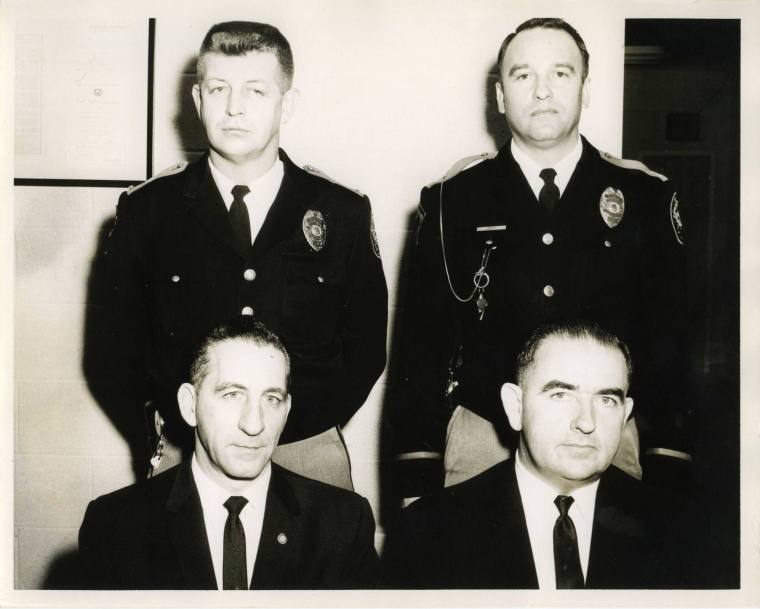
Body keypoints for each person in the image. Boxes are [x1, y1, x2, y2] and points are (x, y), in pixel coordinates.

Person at [391, 17, 692, 500]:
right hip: (484, 438)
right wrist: (415, 466)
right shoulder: (452, 201)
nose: (542, 92)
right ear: (500, 97)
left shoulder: (645, 196)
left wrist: (669, 460)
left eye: (561, 74)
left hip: (607, 437)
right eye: (523, 75)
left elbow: (673, 342)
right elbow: (421, 346)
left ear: (585, 89)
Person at [104, 21, 387, 487]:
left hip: (306, 452)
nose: (234, 108)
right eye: (218, 90)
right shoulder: (149, 210)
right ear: (197, 101)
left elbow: (366, 346)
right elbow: (116, 349)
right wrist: (167, 424)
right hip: (189, 449)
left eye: (256, 91)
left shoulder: (341, 211)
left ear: (286, 104)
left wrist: (307, 424)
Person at [383, 322, 696, 589]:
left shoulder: (682, 531)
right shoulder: (429, 534)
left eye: (606, 400)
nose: (586, 423)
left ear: (626, 413)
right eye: (560, 395)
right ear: (515, 407)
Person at [79, 318, 380, 589]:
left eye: (271, 399)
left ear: (287, 411)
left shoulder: (343, 525)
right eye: (233, 395)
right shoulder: (115, 528)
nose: (254, 424)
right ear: (189, 405)